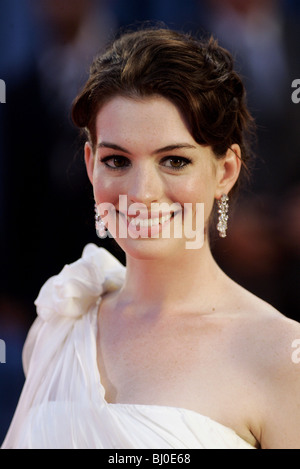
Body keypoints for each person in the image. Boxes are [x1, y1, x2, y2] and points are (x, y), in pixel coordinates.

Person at [2, 27, 300, 450]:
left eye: (174, 160)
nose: (141, 192)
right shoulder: (60, 324)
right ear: (91, 166)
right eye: (117, 160)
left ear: (226, 171)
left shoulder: (283, 356)